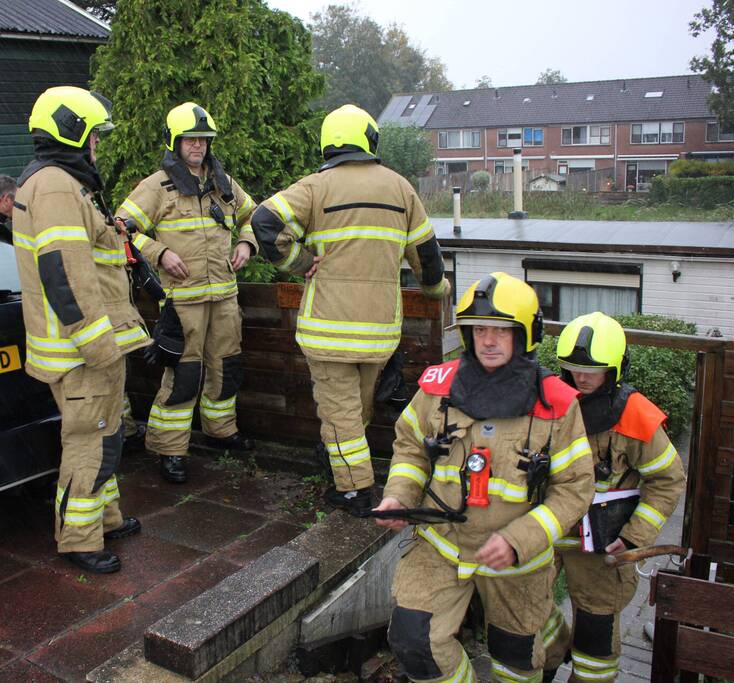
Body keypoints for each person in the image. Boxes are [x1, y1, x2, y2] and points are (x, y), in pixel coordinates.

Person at [373, 272, 595, 683]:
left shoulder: (557, 405)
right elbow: (409, 449)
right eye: (479, 330)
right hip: (442, 545)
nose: (488, 340)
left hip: (516, 560)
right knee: (414, 642)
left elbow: (575, 490)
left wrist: (518, 541)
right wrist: (398, 497)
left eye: (501, 330)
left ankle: (550, 644)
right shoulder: (438, 387)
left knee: (515, 660)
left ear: (526, 334)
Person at [252, 104, 449, 513]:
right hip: (378, 332)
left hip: (327, 330)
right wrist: (435, 289)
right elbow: (427, 255)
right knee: (354, 412)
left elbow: (264, 224)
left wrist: (299, 263)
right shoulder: (400, 188)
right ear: (368, 139)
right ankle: (338, 464)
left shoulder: (314, 188)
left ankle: (354, 491)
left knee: (340, 416)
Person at [12, 86, 151, 574]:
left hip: (86, 348)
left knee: (106, 435)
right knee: (89, 442)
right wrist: (99, 345)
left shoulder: (62, 184)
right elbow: (64, 273)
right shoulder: (54, 187)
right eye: (94, 136)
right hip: (82, 352)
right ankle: (78, 538)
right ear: (73, 132)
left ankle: (105, 517)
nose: (97, 146)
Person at [116, 102, 258, 484]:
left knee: (226, 369)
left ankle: (221, 432)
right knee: (182, 376)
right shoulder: (155, 186)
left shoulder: (224, 183)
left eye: (204, 140)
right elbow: (121, 230)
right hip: (182, 302)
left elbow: (256, 218)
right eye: (190, 140)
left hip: (225, 299)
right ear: (174, 143)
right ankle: (169, 450)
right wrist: (160, 252)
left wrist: (246, 243)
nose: (197, 146)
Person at [542, 312, 685, 683]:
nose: (582, 377)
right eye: (572, 368)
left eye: (593, 369)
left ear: (617, 368)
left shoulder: (635, 415)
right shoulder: (549, 403)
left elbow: (668, 480)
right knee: (527, 622)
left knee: (595, 644)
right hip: (546, 538)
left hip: (603, 551)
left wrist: (635, 537)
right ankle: (554, 653)